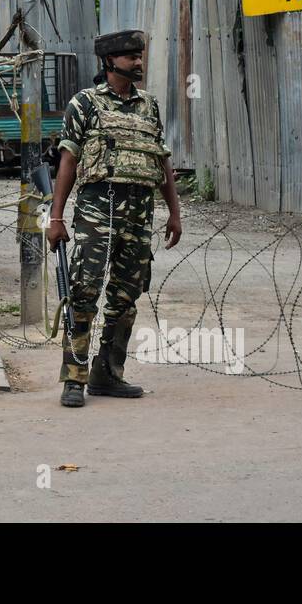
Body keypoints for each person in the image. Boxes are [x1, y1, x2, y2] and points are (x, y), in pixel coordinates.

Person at [45, 29, 183, 408]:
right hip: (96, 212)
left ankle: (107, 374)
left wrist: (174, 211)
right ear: (109, 62)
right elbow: (68, 161)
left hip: (138, 216)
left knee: (125, 298)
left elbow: (162, 160)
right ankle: (74, 378)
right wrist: (55, 218)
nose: (138, 62)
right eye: (129, 56)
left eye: (139, 56)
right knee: (84, 292)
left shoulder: (149, 106)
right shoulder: (85, 104)